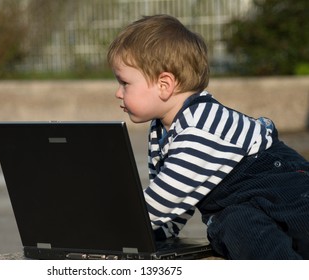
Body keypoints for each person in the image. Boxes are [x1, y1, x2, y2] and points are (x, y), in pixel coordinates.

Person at [107, 14, 309, 260]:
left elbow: (162, 200)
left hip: (288, 193)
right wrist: (158, 237)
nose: (118, 93)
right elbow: (176, 197)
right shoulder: (160, 130)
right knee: (234, 227)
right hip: (241, 207)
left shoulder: (200, 127)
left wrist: (109, 229)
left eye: (125, 83)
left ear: (164, 84)